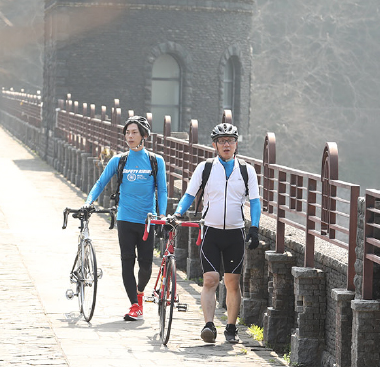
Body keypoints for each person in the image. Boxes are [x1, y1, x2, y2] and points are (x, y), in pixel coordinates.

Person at [173, 123, 260, 343]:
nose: (226, 145)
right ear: (214, 145)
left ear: (236, 144)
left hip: (235, 233)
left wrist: (255, 228)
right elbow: (190, 194)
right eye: (222, 141)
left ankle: (231, 328)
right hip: (210, 231)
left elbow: (255, 201)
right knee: (210, 280)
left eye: (230, 140)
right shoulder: (206, 168)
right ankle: (209, 325)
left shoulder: (246, 170)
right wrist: (177, 214)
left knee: (232, 282)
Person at [84, 115, 167, 321]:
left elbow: (163, 190)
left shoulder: (156, 161)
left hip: (148, 220)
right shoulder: (118, 160)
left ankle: (140, 292)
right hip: (125, 218)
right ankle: (134, 305)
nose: (130, 136)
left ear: (144, 135)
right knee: (127, 261)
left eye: (134, 132)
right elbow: (100, 182)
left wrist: (162, 215)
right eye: (127, 133)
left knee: (146, 265)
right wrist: (89, 202)